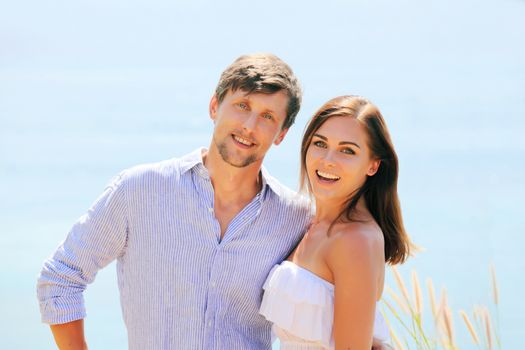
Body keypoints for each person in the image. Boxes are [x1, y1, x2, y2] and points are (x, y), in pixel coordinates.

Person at [36, 53, 312, 350]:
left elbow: (332, 301)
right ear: (214, 106)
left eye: (267, 117)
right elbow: (60, 278)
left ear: (282, 134)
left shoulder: (297, 219)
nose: (249, 125)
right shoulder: (139, 190)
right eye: (242, 106)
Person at [260, 95, 411, 349]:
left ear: (373, 165)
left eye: (347, 150)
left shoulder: (356, 240)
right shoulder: (310, 223)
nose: (328, 159)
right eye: (320, 143)